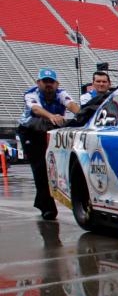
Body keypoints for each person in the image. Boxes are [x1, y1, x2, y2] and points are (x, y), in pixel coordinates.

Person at [16, 68, 80, 220]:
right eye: (45, 82)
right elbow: (36, 109)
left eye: (51, 82)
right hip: (30, 132)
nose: (48, 85)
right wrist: (51, 116)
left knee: (54, 168)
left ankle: (42, 201)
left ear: (57, 84)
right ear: (39, 83)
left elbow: (72, 105)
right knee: (40, 168)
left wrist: (81, 114)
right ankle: (47, 207)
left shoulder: (61, 94)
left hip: (51, 132)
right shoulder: (31, 94)